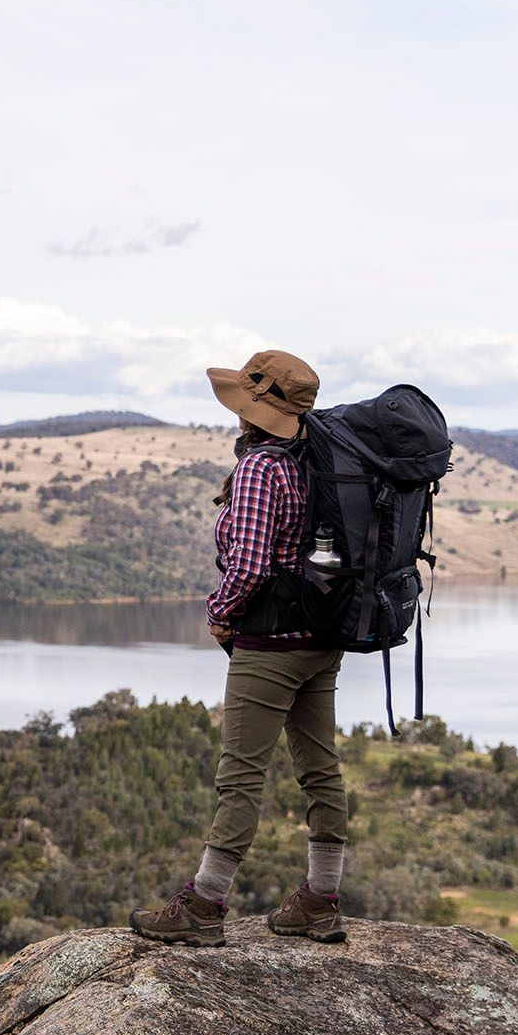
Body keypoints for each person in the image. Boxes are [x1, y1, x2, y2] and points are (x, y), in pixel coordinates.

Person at [130, 350, 349, 947]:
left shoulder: (261, 470)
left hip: (269, 643)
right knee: (319, 767)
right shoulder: (320, 463)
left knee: (241, 775)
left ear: (254, 411)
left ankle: (204, 905)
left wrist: (219, 614)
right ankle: (323, 900)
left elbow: (250, 566)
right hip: (321, 638)